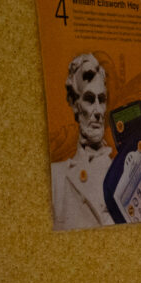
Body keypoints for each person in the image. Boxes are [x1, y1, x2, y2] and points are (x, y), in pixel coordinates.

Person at [49, 53, 117, 230]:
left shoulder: (123, 169)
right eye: (89, 99)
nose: (98, 111)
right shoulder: (56, 179)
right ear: (74, 104)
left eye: (101, 100)